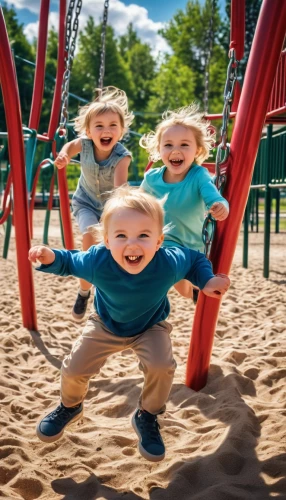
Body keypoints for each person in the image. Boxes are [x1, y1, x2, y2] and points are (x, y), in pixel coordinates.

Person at [29, 185, 230, 463]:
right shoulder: (98, 260)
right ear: (107, 241)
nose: (132, 244)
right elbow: (70, 260)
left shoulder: (167, 263)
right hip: (105, 324)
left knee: (162, 366)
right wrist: (49, 256)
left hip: (150, 326)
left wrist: (207, 281)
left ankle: (147, 415)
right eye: (121, 236)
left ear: (159, 241)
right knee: (74, 367)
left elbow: (194, 260)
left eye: (143, 236)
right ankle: (70, 406)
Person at [54, 86, 134, 321]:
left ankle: (110, 292)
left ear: (120, 131)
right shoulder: (85, 144)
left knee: (112, 248)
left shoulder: (122, 157)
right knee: (89, 235)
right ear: (89, 131)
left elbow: (119, 190)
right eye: (99, 126)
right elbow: (70, 146)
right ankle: (84, 290)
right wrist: (64, 155)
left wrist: (120, 215)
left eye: (112, 126)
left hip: (111, 208)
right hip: (85, 202)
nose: (105, 130)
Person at [140, 103, 229, 300]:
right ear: (159, 149)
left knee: (187, 281)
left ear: (197, 150)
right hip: (166, 242)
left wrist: (220, 207)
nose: (176, 150)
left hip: (197, 244)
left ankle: (196, 288)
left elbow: (215, 197)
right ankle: (192, 292)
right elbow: (138, 205)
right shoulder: (151, 178)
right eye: (168, 145)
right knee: (176, 279)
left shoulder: (199, 176)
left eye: (184, 145)